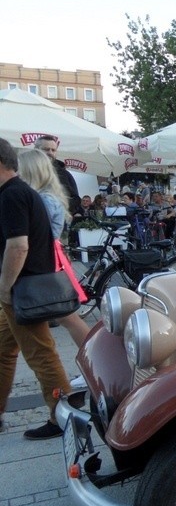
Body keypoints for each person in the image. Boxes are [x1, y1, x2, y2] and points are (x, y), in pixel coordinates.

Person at [0, 138, 72, 439]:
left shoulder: (12, 196)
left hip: (21, 290)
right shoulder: (21, 193)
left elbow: (18, 247)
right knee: (3, 351)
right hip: (24, 289)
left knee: (41, 356)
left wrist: (5, 288)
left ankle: (63, 417)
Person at [17, 150, 91, 348]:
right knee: (65, 317)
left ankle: (94, 362)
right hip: (49, 259)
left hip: (46, 260)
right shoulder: (46, 196)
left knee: (68, 317)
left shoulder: (43, 199)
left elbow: (39, 235)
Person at [34, 135, 80, 217]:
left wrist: (61, 207)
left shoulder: (65, 174)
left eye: (53, 150)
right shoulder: (28, 171)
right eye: (46, 149)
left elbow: (76, 199)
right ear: (36, 150)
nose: (50, 153)